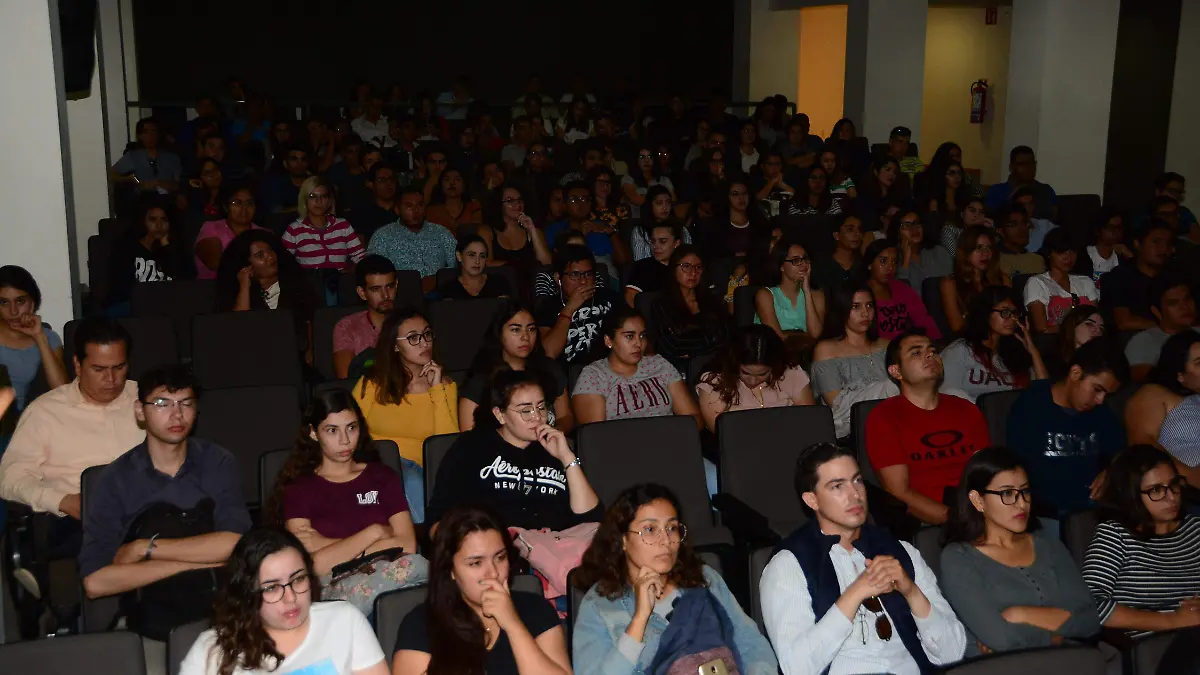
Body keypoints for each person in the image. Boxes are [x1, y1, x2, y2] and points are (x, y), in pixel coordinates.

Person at [759, 442, 967, 675]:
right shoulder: (788, 564)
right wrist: (855, 593)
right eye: (837, 486)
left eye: (857, 480)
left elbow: (953, 653)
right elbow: (796, 669)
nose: (854, 495)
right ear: (812, 500)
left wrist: (911, 591)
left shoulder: (901, 551)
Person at [79, 366, 250, 637]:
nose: (176, 414)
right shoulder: (115, 480)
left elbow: (235, 544)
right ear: (139, 411)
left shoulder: (217, 461)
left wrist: (144, 550)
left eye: (186, 403)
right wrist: (201, 561)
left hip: (221, 615)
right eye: (162, 404)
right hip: (151, 622)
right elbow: (96, 582)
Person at [572, 483, 778, 675]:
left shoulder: (704, 578)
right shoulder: (600, 605)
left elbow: (751, 643)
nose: (666, 540)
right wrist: (639, 619)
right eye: (650, 530)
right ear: (623, 540)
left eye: (672, 528)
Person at [0, 318, 142, 573]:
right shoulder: (46, 412)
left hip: (146, 511)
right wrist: (62, 500)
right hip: (79, 521)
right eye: (99, 369)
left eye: (119, 367)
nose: (111, 379)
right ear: (78, 365)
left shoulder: (147, 399)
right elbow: (9, 478)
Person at [272, 388, 421, 615]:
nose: (344, 440)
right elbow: (312, 567)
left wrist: (326, 544)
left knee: (418, 571)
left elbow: (408, 544)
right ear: (313, 433)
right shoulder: (299, 489)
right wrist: (375, 532)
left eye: (351, 428)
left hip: (392, 577)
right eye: (332, 430)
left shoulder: (382, 477)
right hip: (336, 588)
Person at [940, 447, 1100, 655]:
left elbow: (1090, 620)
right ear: (978, 500)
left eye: (1025, 491)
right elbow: (1001, 640)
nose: (1022, 503)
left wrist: (1018, 614)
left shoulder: (1046, 543)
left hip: (1065, 661)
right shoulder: (958, 558)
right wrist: (1057, 636)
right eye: (1007, 493)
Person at [178, 528, 391, 675]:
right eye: (271, 587)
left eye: (298, 579)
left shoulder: (344, 620)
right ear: (246, 592)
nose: (291, 598)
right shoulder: (212, 650)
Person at [392, 507, 570, 675]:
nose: (493, 572)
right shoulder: (421, 625)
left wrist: (513, 625)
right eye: (476, 563)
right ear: (450, 570)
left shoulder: (536, 611)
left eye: (500, 558)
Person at [428, 369, 600, 534]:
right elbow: (439, 520)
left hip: (556, 552)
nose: (537, 417)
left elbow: (592, 519)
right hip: (496, 552)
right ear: (500, 415)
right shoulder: (471, 447)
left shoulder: (556, 446)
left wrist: (567, 457)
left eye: (541, 407)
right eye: (525, 410)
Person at [867, 329, 990, 525]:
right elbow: (899, 492)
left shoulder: (966, 409)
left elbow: (987, 472)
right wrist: (959, 522)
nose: (930, 355)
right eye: (916, 352)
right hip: (930, 520)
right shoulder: (884, 417)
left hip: (978, 507)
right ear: (896, 371)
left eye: (933, 351)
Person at [352, 308, 458, 524]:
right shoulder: (372, 384)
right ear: (395, 346)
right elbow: (350, 429)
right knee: (406, 477)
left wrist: (436, 389)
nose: (424, 343)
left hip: (428, 470)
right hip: (381, 463)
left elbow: (446, 444)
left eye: (427, 334)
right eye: (413, 338)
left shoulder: (445, 386)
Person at [1082, 445, 1200, 634]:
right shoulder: (1116, 534)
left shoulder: (1195, 529)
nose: (1171, 498)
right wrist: (1172, 621)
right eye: (1156, 490)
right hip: (1149, 650)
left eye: (1175, 484)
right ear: (1132, 496)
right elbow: (1088, 605)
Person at [1006, 340, 1126, 519]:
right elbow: (1017, 471)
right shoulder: (1031, 407)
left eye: (1106, 394)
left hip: (1094, 511)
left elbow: (1121, 452)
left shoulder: (1101, 413)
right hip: (1045, 514)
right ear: (1075, 373)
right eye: (1097, 389)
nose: (1100, 400)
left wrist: (1110, 471)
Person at [573, 304, 701, 424]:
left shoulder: (659, 364)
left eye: (642, 336)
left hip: (667, 440)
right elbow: (595, 436)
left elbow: (693, 419)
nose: (638, 344)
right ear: (609, 340)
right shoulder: (593, 375)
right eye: (629, 336)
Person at [459, 300, 573, 433]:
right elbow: (469, 437)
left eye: (531, 329)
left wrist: (552, 435)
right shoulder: (480, 381)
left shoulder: (549, 368)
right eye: (515, 330)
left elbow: (565, 416)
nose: (525, 337)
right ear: (499, 333)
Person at [811, 281, 895, 438]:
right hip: (851, 428)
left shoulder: (887, 345)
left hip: (894, 417)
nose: (865, 313)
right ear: (841, 310)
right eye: (856, 307)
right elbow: (837, 406)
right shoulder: (826, 349)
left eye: (869, 306)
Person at [695, 325, 815, 433]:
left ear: (774, 366)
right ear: (735, 363)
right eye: (745, 373)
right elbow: (722, 434)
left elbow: (809, 421)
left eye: (762, 374)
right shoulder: (715, 382)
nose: (752, 381)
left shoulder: (791, 374)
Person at [940, 286, 1047, 402]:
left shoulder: (1015, 354)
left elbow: (1044, 393)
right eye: (1005, 312)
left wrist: (1033, 351)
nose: (1012, 319)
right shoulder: (960, 350)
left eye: (1015, 313)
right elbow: (946, 395)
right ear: (985, 313)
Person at [215, 230, 314, 349]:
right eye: (260, 255)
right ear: (246, 265)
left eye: (270, 250)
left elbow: (311, 323)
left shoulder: (296, 285)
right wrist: (245, 285)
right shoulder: (240, 294)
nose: (270, 256)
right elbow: (238, 329)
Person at [1125, 332, 1200, 482]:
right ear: (1181, 375)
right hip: (1181, 489)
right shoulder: (1154, 394)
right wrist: (1190, 479)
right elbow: (1142, 447)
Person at [534, 244, 616, 366]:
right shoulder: (548, 306)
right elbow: (549, 352)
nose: (583, 281)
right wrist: (569, 308)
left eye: (588, 274)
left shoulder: (609, 297)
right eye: (574, 275)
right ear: (558, 278)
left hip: (610, 366)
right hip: (571, 374)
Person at [365, 186, 458, 294]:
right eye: (409, 206)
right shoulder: (382, 236)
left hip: (440, 294)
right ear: (397, 209)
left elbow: (456, 267)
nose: (416, 210)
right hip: (399, 296)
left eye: (420, 205)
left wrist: (438, 279)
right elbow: (373, 274)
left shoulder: (441, 233)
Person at [648, 246, 729, 369]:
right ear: (673, 269)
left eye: (698, 267)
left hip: (714, 364)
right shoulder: (661, 304)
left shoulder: (712, 301)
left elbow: (725, 337)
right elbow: (672, 345)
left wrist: (691, 347)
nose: (693, 273)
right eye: (686, 266)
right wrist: (709, 340)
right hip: (676, 369)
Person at [0, 266, 68, 411]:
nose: (13, 311)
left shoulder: (48, 337)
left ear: (33, 303)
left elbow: (62, 391)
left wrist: (39, 337)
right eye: (4, 302)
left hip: (18, 423)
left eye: (20, 301)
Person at [1102, 220, 1175, 332]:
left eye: (1168, 243)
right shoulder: (1119, 277)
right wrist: (1165, 326)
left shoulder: (1175, 277)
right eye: (1156, 242)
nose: (1164, 249)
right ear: (1137, 244)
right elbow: (1124, 322)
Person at [282, 176, 366, 273]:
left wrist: (347, 273)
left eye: (324, 196)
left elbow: (361, 259)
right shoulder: (295, 229)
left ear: (330, 201)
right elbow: (283, 261)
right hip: (310, 284)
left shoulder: (343, 225)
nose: (319, 201)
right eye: (313, 197)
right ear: (305, 200)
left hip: (340, 283)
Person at [860, 239, 941, 340]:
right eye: (883, 261)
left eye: (894, 262)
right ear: (869, 264)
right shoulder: (859, 293)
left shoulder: (902, 288)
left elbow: (924, 321)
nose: (890, 267)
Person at [1023, 228, 1099, 333]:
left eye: (1072, 251)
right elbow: (1042, 328)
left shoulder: (1086, 282)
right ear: (1049, 253)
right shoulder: (1037, 283)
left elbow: (1095, 321)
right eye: (1062, 252)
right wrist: (1075, 329)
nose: (1069, 257)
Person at [333, 255, 397, 380]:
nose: (385, 296)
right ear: (362, 293)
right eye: (375, 289)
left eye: (390, 286)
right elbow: (347, 379)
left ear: (397, 286)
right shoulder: (347, 327)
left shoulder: (411, 322)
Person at [1125, 274, 1198, 380]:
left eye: (1187, 299)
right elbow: (1142, 381)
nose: (1185, 307)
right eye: (1173, 303)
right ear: (1156, 311)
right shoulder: (1143, 341)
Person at [942, 225, 1009, 334]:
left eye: (989, 248)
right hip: (969, 341)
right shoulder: (950, 283)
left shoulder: (1003, 279)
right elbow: (957, 326)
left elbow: (1011, 317)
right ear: (966, 252)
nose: (985, 253)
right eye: (979, 248)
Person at [754, 240, 826, 342]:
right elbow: (776, 338)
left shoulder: (817, 295)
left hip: (807, 354)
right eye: (796, 260)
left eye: (805, 258)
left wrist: (806, 291)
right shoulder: (765, 295)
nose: (804, 264)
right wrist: (803, 336)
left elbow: (816, 335)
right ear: (781, 266)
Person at [480, 184, 552, 282]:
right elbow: (486, 264)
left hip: (531, 287)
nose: (517, 204)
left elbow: (547, 264)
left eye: (520, 200)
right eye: (510, 201)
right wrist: (519, 266)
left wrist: (532, 230)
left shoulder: (534, 231)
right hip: (499, 286)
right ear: (499, 205)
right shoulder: (487, 231)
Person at [193, 185, 266, 280]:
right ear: (226, 207)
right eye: (237, 203)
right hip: (212, 289)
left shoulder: (264, 233)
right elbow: (215, 264)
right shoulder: (211, 228)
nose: (244, 208)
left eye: (249, 203)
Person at [110, 117, 182, 196]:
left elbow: (178, 184)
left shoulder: (171, 157)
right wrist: (128, 180)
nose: (150, 136)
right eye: (145, 132)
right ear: (140, 136)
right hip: (142, 198)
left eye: (153, 131)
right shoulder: (133, 155)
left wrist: (162, 184)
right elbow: (111, 174)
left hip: (166, 197)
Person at [985, 146, 1057, 220]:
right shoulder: (997, 192)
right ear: (1011, 167)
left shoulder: (1046, 190)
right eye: (1023, 164)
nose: (1029, 168)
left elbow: (1053, 220)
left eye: (1032, 163)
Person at [890, 208, 952, 294]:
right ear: (898, 234)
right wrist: (905, 262)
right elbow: (898, 294)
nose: (914, 229)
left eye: (917, 223)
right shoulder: (893, 258)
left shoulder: (939, 252)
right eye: (907, 225)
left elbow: (952, 287)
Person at [437, 234, 512, 300]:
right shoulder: (450, 289)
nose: (477, 261)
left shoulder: (498, 283)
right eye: (471, 255)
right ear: (459, 256)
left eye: (482, 256)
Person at [624, 219, 680, 306]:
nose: (656, 246)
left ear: (676, 243)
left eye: (663, 241)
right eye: (653, 241)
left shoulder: (685, 267)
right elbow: (630, 296)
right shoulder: (643, 267)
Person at [813, 212, 864, 297]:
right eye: (850, 229)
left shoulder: (863, 265)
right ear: (836, 235)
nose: (857, 234)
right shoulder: (821, 266)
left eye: (860, 229)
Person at [349, 162, 401, 246]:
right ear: (371, 184)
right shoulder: (363, 213)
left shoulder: (404, 209)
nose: (389, 184)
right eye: (382, 180)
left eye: (391, 179)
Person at [622, 143, 676, 220]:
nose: (646, 161)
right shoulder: (628, 179)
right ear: (636, 160)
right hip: (637, 221)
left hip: (663, 221)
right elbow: (634, 198)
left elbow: (673, 201)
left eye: (650, 157)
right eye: (642, 157)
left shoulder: (664, 180)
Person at [1052, 305, 1107, 377]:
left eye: (1101, 328)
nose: (1097, 330)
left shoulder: (1103, 365)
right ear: (1072, 326)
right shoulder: (1053, 362)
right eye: (1089, 324)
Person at [259, 145, 312, 219]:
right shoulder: (275, 182)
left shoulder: (313, 183)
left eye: (303, 159)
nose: (299, 164)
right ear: (285, 163)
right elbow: (274, 212)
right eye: (294, 159)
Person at [425, 167, 483, 235]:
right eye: (447, 179)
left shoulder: (473, 206)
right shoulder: (431, 210)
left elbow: (477, 229)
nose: (452, 183)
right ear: (441, 185)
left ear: (464, 185)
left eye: (457, 179)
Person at [994, 204, 1046, 279]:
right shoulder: (993, 260)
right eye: (1013, 224)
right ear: (1000, 231)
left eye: (1024, 223)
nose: (1022, 229)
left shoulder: (1038, 260)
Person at [1082, 208, 1131, 284]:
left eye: (1119, 228)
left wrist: (1130, 256)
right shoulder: (1084, 255)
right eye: (1112, 228)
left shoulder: (1123, 255)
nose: (1116, 232)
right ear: (1097, 230)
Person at [1011, 187, 1059, 256]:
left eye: (1030, 203)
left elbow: (1063, 240)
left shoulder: (1045, 225)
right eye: (1023, 205)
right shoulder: (1008, 230)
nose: (1027, 208)